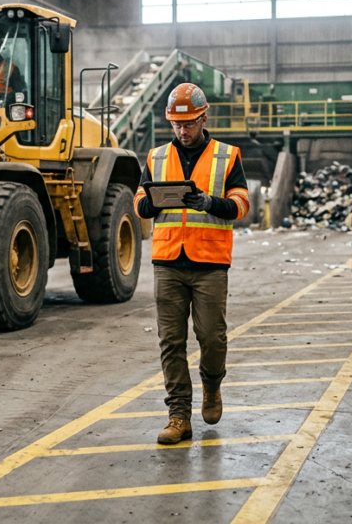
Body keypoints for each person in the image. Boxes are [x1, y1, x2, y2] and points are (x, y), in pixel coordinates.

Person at [134, 83, 250, 445]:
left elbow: (241, 204)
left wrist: (210, 202)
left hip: (210, 262)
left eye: (188, 124)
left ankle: (212, 386)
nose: (182, 131)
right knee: (171, 342)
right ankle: (179, 416)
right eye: (176, 125)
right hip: (168, 261)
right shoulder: (156, 157)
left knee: (212, 338)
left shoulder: (227, 156)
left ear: (203, 118)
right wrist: (153, 202)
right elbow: (139, 203)